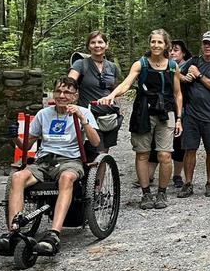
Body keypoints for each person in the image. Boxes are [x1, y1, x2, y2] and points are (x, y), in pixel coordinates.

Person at [0, 77, 101, 255]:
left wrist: (82, 119)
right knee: (17, 177)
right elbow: (26, 146)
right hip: (44, 161)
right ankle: (13, 231)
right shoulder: (44, 114)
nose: (62, 95)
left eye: (67, 92)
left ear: (75, 96)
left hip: (70, 161)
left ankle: (53, 234)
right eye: (58, 91)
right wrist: (14, 136)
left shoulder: (84, 112)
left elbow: (95, 141)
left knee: (67, 178)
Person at [100, 29, 184, 210]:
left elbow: (177, 94)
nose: (156, 45)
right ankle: (146, 193)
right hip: (143, 112)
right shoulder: (141, 64)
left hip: (166, 112)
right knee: (143, 154)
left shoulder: (172, 66)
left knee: (165, 154)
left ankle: (162, 193)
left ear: (166, 45)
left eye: (160, 42)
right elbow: (126, 83)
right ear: (149, 44)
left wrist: (178, 118)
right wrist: (113, 95)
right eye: (153, 42)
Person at [179, 31, 210, 198]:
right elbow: (174, 71)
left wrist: (199, 75)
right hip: (191, 114)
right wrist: (184, 78)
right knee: (190, 149)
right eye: (205, 43)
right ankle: (188, 183)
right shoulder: (193, 61)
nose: (207, 46)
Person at [147, 39, 192, 188]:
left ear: (183, 52)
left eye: (176, 50)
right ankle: (150, 175)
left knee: (179, 143)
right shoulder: (161, 64)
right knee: (155, 142)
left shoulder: (190, 66)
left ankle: (177, 175)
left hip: (183, 110)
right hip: (162, 109)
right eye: (170, 50)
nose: (172, 52)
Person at [67, 30, 121, 152]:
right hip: (89, 116)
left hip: (109, 118)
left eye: (100, 42)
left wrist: (118, 108)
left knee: (104, 153)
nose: (97, 45)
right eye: (93, 42)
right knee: (95, 152)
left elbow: (115, 90)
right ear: (88, 46)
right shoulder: (80, 64)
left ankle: (102, 171)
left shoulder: (112, 67)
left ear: (106, 45)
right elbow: (69, 83)